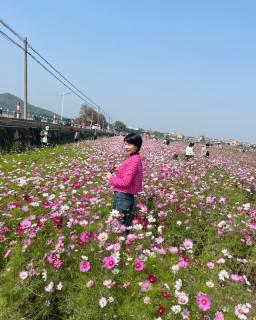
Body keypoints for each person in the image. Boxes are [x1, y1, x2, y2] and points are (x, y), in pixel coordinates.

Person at [106, 133, 143, 228]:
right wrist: (118, 169)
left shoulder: (134, 160)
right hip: (124, 196)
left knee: (118, 226)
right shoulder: (134, 157)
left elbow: (126, 182)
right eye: (125, 144)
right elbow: (128, 173)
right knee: (116, 222)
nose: (126, 147)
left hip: (124, 196)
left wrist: (110, 178)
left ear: (136, 146)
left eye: (129, 144)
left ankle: (115, 240)